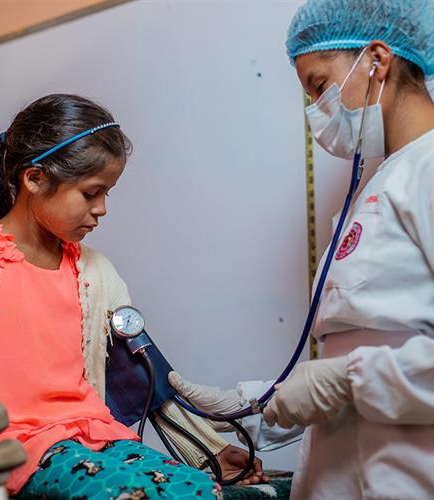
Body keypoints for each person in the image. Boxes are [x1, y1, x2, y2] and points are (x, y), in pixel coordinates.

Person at [0, 94, 267, 499]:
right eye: (91, 193)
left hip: (96, 436)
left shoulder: (97, 273)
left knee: (195, 490)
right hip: (12, 451)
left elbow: (143, 373)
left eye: (108, 192)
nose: (102, 209)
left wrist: (206, 450)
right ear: (35, 179)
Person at [170, 0, 434, 498]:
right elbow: (360, 353)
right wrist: (250, 405)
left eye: (319, 85)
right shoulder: (381, 182)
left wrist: (344, 380)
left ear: (378, 60)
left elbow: (350, 375)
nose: (317, 109)